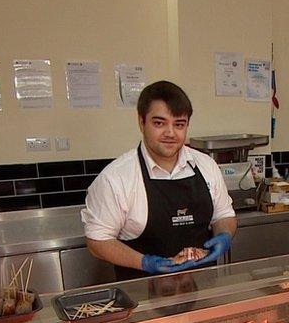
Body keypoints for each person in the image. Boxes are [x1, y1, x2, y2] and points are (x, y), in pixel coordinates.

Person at [82, 81, 237, 280]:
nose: (170, 133)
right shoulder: (116, 178)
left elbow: (224, 215)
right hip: (143, 297)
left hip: (202, 291)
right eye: (159, 123)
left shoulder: (206, 166)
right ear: (141, 122)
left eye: (179, 124)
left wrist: (224, 235)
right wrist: (145, 262)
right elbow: (97, 241)